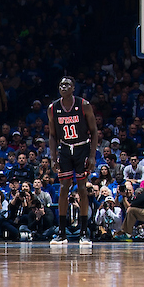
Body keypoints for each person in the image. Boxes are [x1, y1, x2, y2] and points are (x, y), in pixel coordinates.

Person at [47, 76, 99, 247]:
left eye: (67, 84)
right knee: (63, 188)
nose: (63, 86)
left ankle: (84, 233)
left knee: (82, 189)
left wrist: (92, 156)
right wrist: (53, 158)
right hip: (64, 149)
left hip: (82, 148)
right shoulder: (53, 108)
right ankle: (61, 233)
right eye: (61, 84)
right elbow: (53, 135)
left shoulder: (83, 105)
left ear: (73, 88)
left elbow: (94, 132)